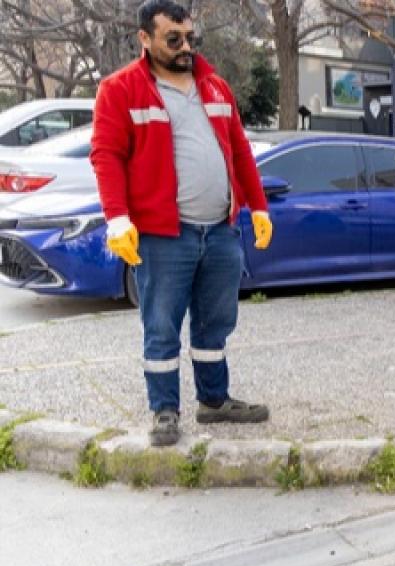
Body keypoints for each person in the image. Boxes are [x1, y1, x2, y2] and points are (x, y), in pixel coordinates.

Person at [90, 0, 273, 447]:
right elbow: (106, 156)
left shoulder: (214, 87)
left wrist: (259, 206)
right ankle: (165, 411)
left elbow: (240, 151)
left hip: (220, 231)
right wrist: (117, 219)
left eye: (191, 37)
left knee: (215, 322)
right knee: (162, 325)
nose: (185, 46)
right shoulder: (122, 90)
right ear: (145, 39)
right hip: (163, 236)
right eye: (174, 39)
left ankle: (214, 401)